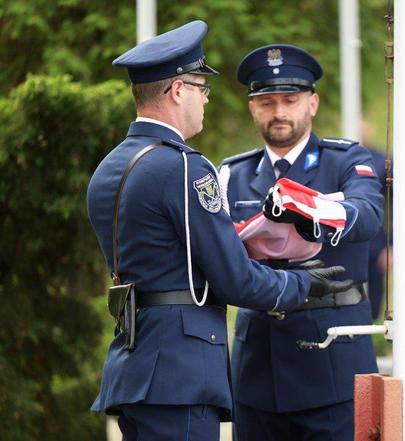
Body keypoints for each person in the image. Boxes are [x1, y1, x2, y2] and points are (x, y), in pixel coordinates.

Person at [87, 23, 349, 441]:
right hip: (181, 371)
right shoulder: (185, 166)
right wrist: (304, 285)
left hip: (135, 362)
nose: (205, 98)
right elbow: (234, 279)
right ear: (177, 90)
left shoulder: (109, 168)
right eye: (201, 87)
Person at [220, 44, 384, 441]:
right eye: (267, 101)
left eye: (290, 100)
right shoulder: (232, 174)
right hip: (259, 364)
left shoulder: (345, 161)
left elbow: (367, 215)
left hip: (331, 357)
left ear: (312, 103)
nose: (279, 112)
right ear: (252, 108)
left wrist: (311, 210)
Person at [360, 119, 390, 320]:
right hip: (348, 240)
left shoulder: (382, 161)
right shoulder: (337, 158)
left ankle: (373, 328)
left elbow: (396, 204)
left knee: (377, 289)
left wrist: (392, 244)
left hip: (377, 240)